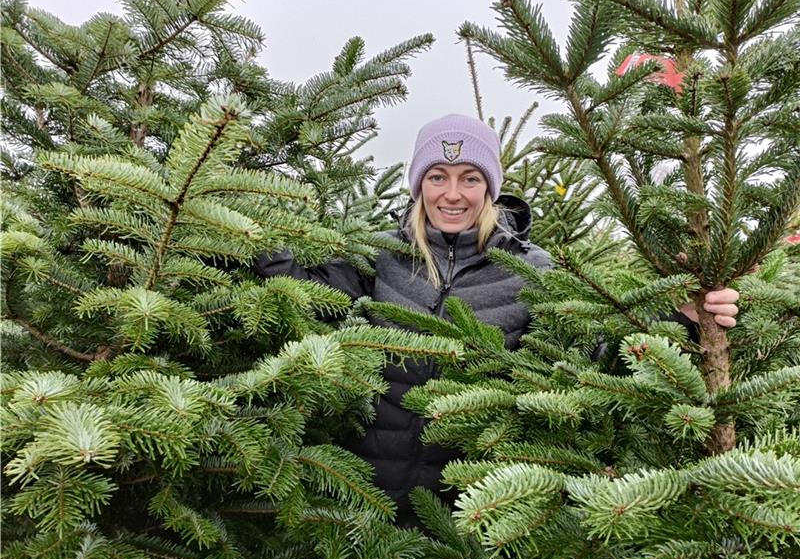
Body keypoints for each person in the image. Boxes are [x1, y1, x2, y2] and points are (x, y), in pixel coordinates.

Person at [255, 114, 739, 527]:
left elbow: (595, 346)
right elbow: (306, 292)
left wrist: (685, 318)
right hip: (362, 498)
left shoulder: (530, 267)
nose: (452, 193)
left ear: (490, 187)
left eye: (470, 177)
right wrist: (240, 230)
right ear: (419, 184)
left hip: (476, 510)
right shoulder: (381, 255)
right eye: (437, 176)